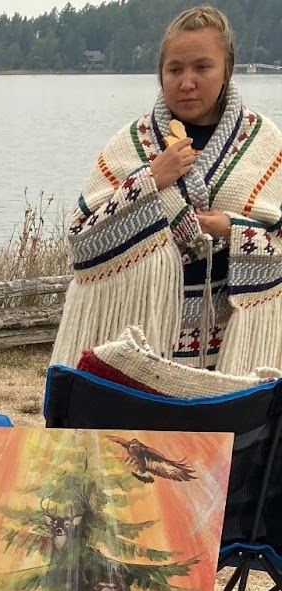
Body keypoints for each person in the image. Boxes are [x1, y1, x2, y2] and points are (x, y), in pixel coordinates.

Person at [50, 6, 282, 375]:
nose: (186, 82)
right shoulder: (131, 144)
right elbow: (82, 242)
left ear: (227, 70)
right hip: (145, 337)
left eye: (202, 67)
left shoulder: (265, 142)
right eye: (175, 69)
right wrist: (150, 181)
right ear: (161, 73)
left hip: (237, 348)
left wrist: (231, 228)